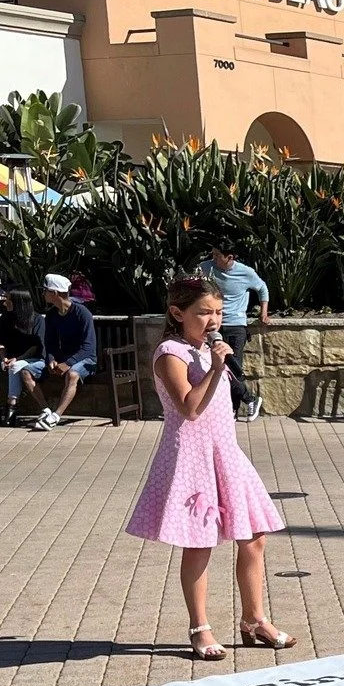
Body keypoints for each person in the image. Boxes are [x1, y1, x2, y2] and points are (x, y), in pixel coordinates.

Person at [124, 278, 295, 661]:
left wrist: (217, 361)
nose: (213, 319)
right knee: (199, 544)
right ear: (177, 313)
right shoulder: (172, 352)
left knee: (254, 536)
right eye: (203, 312)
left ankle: (254, 619)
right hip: (191, 457)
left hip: (225, 452)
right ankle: (200, 627)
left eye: (217, 312)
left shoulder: (207, 349)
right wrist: (217, 368)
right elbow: (189, 407)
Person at [17, 274, 98, 432]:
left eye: (45, 290)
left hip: (86, 360)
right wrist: (51, 359)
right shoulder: (52, 315)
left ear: (54, 293)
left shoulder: (82, 314)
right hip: (62, 359)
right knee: (26, 372)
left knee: (73, 375)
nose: (43, 294)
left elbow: (88, 347)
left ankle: (56, 416)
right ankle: (46, 410)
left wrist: (68, 363)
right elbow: (50, 343)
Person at [199, 241, 269, 422]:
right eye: (212, 254)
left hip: (236, 325)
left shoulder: (245, 272)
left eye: (217, 255)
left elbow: (262, 288)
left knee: (232, 367)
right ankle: (238, 405)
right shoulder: (206, 268)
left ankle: (244, 402)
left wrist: (264, 313)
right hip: (214, 325)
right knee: (216, 367)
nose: (213, 258)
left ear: (229, 257)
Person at [0, 289, 45, 427]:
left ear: (17, 302)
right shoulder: (6, 318)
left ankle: (11, 408)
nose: (5, 303)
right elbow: (1, 343)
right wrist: (3, 358)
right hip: (8, 358)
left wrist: (18, 359)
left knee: (15, 367)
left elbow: (36, 347)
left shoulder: (37, 320)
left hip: (30, 358)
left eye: (8, 299)